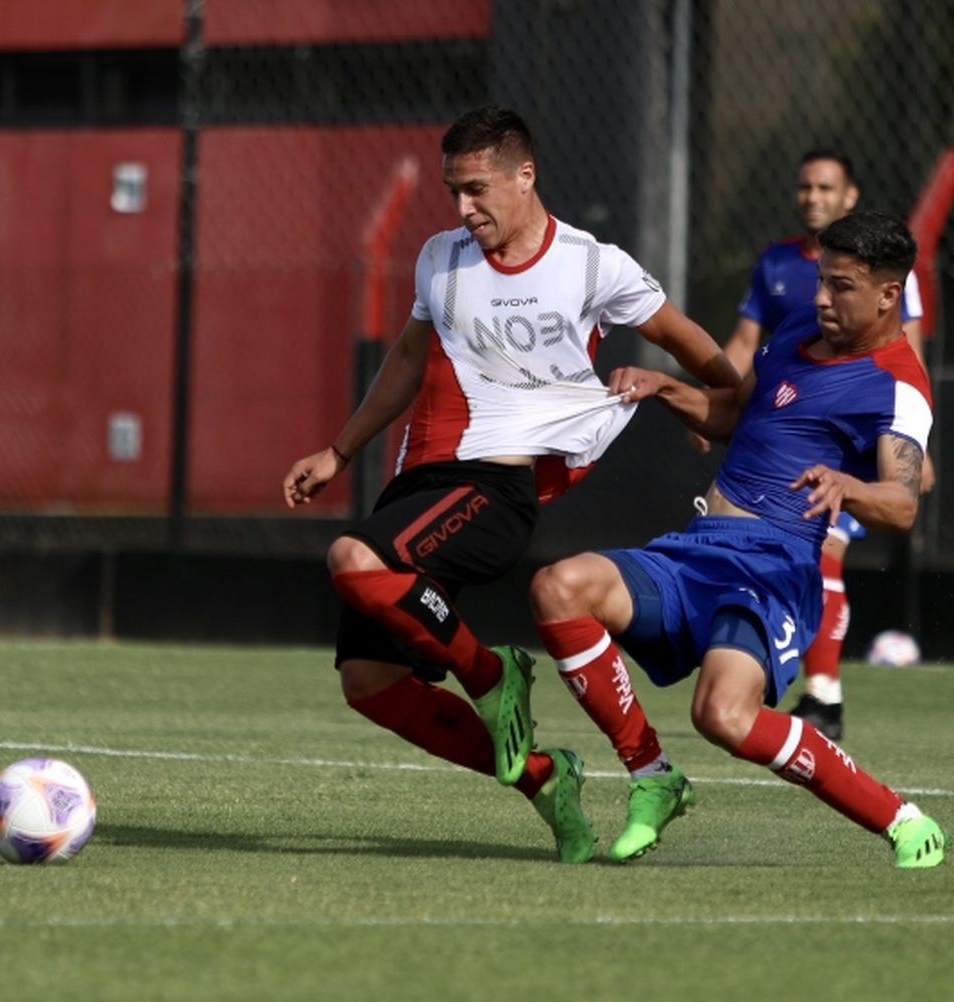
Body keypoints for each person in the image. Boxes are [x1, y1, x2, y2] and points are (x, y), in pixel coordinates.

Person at [282, 106, 739, 864]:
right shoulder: (440, 257)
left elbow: (691, 343)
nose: (463, 208)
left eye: (476, 189)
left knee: (355, 562)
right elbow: (404, 360)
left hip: (495, 492)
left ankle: (494, 674)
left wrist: (722, 413)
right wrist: (338, 451)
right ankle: (541, 778)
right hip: (417, 489)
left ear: (525, 176)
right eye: (452, 191)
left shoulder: (594, 265)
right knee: (369, 683)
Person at [526, 210, 948, 868]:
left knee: (721, 715)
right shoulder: (795, 331)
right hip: (699, 551)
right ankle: (653, 776)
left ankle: (898, 816)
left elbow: (902, 500)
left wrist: (849, 485)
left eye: (840, 286)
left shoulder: (898, 386)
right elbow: (732, 413)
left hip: (774, 573)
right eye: (820, 280)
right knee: (559, 588)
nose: (819, 298)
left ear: (889, 294)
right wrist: (665, 386)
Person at [718, 149, 935, 741]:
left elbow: (901, 354)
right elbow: (744, 343)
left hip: (851, 442)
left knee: (823, 552)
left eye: (825, 187)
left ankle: (822, 695)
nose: (812, 197)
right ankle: (793, 686)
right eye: (804, 187)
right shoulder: (778, 264)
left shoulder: (882, 273)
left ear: (849, 196)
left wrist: (910, 438)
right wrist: (721, 402)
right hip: (789, 422)